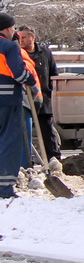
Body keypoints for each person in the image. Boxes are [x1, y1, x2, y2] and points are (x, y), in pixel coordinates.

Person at [0, 13, 40, 198]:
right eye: (13, 28)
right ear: (7, 28)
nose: (15, 32)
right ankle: (5, 187)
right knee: (9, 143)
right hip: (7, 102)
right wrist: (30, 81)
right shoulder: (8, 47)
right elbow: (19, 73)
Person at [17, 26, 60, 162]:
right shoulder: (18, 54)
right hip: (26, 100)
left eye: (24, 37)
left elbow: (53, 75)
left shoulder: (45, 53)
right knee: (25, 132)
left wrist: (47, 91)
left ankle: (54, 160)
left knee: (47, 130)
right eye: (19, 38)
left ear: (32, 37)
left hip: (43, 99)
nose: (21, 40)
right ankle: (27, 162)